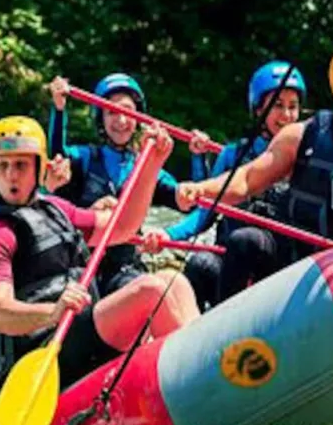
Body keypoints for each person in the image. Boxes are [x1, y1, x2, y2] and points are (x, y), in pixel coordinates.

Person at [0, 116, 200, 392]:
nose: (11, 175)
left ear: (38, 168)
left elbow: (122, 226)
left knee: (171, 280)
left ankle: (203, 367)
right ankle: (196, 385)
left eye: (21, 165)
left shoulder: (55, 209)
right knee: (150, 291)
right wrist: (53, 312)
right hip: (39, 349)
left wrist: (151, 164)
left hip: (77, 329)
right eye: (2, 166)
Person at [176, 42, 333, 293]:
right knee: (244, 241)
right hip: (292, 260)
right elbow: (248, 178)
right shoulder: (300, 136)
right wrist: (200, 189)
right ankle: (227, 326)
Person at [46, 72, 210, 295]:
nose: (121, 120)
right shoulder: (84, 157)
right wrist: (58, 109)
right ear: (100, 118)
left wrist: (198, 157)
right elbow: (57, 158)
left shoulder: (148, 169)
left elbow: (196, 204)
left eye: (127, 112)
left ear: (138, 119)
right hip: (81, 267)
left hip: (125, 269)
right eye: (112, 112)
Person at [173, 60, 305, 307]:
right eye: (277, 105)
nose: (287, 115)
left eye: (293, 107)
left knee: (248, 242)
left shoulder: (305, 159)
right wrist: (165, 235)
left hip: (277, 264)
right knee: (201, 264)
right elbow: (204, 216)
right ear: (258, 109)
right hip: (232, 262)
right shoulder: (234, 156)